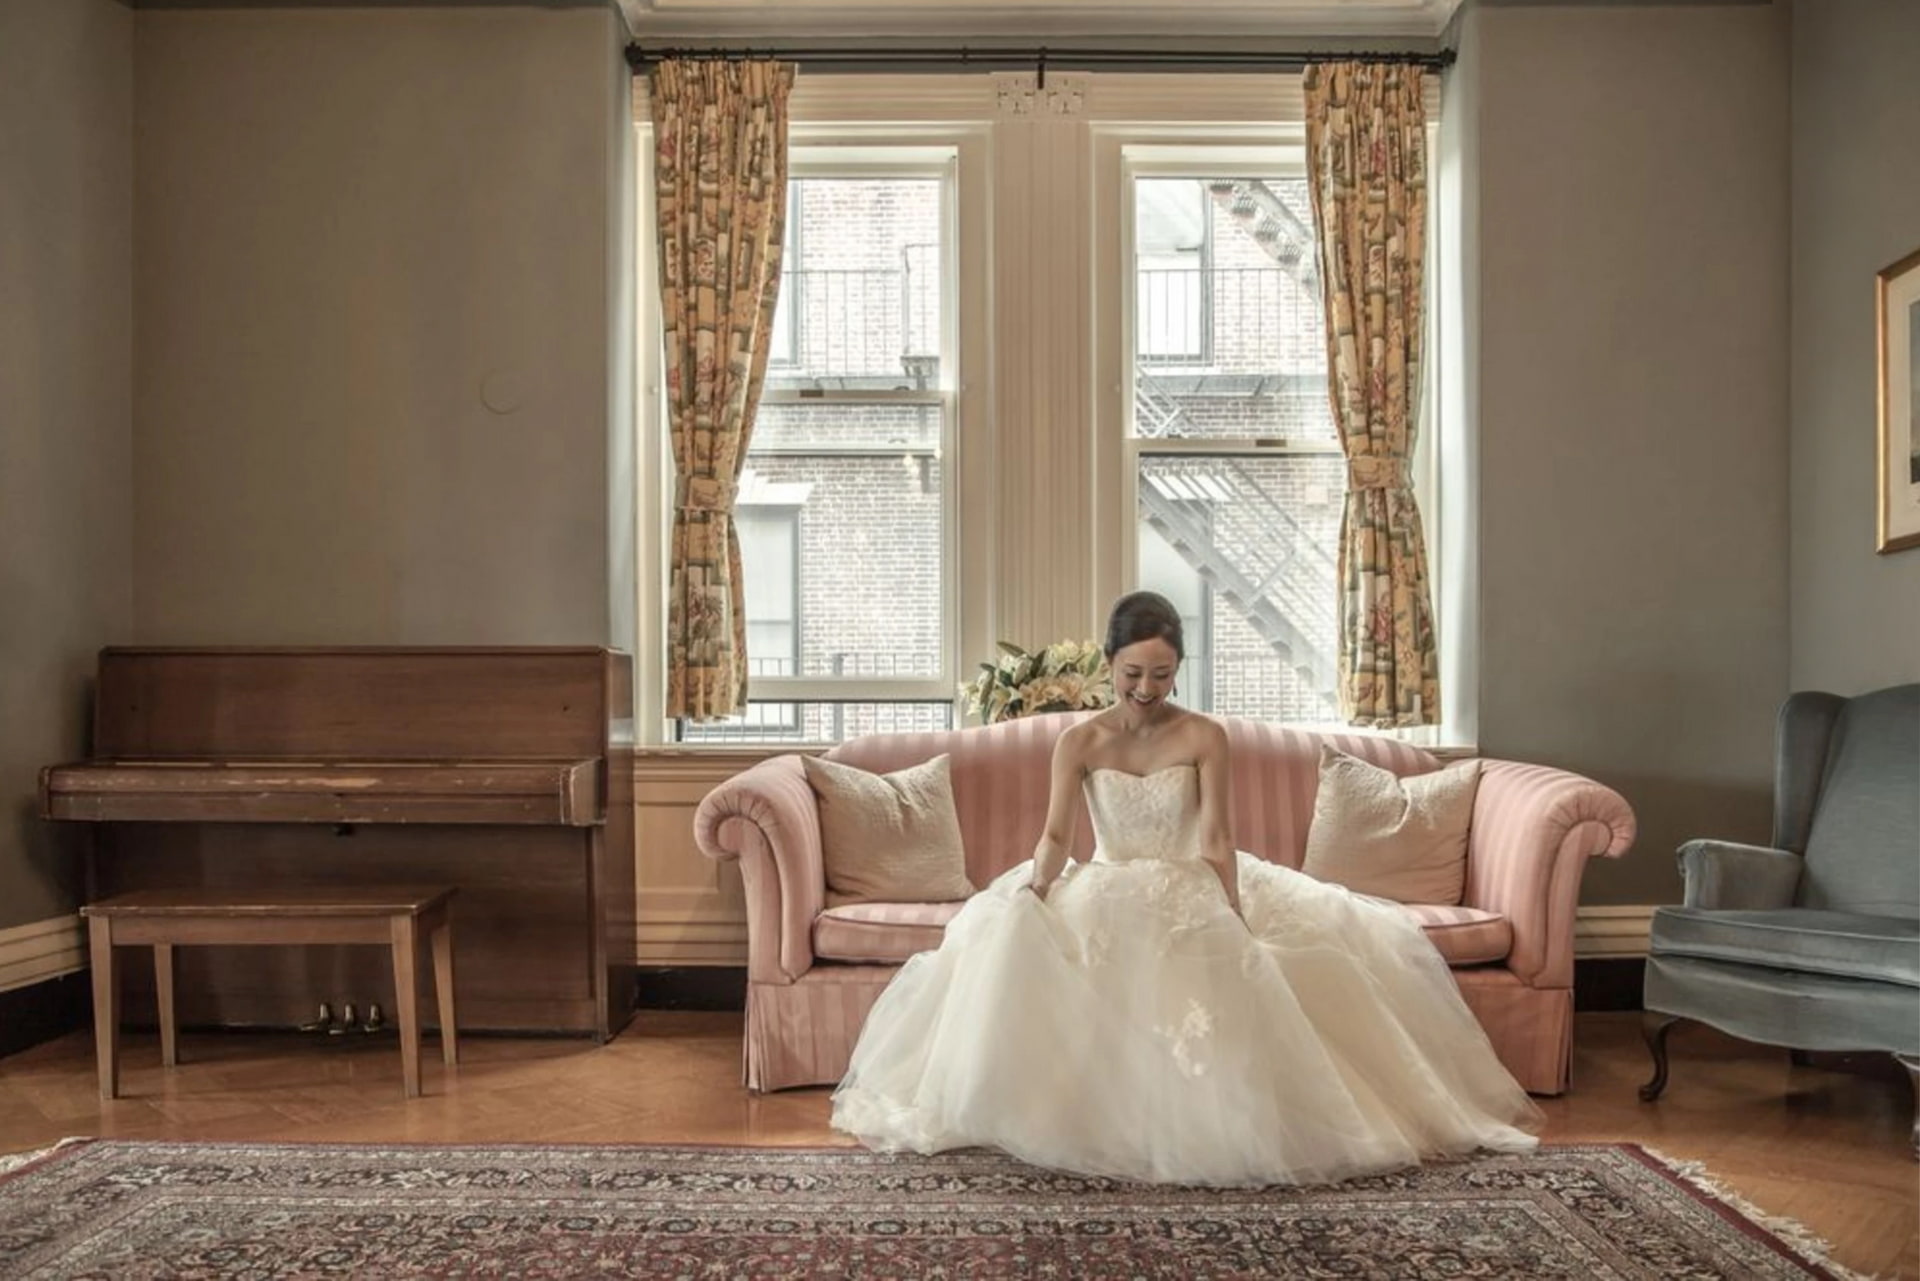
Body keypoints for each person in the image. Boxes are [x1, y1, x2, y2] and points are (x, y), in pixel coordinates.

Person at [831, 591, 1542, 1186]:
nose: (1146, 689)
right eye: (1133, 673)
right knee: (1014, 942)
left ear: (1179, 669)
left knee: (1259, 970)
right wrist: (1036, 888)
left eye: (1163, 674)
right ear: (1107, 663)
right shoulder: (1077, 742)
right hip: (1105, 883)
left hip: (1191, 880)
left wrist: (1235, 909)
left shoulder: (1204, 736)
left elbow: (1217, 838)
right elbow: (1055, 837)